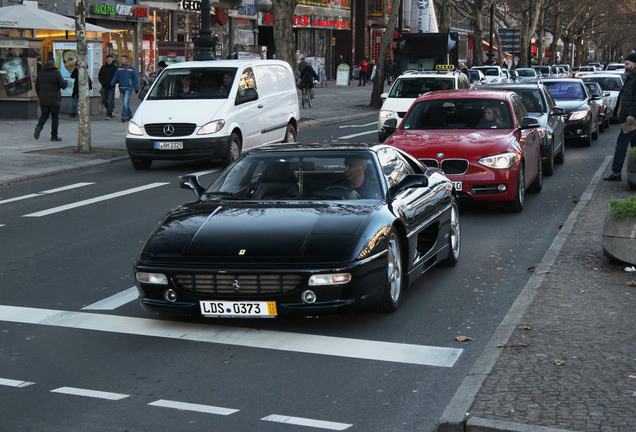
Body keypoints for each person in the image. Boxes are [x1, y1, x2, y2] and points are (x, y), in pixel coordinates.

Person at [604, 53, 636, 181]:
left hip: (630, 120)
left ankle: (616, 172)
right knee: (633, 145)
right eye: (625, 64)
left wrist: (632, 114)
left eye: (627, 64)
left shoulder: (633, 79)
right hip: (629, 118)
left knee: (621, 144)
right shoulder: (630, 78)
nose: (625, 67)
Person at [34, 57, 68, 141]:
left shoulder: (41, 73)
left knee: (44, 115)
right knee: (55, 118)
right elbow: (63, 85)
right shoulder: (56, 73)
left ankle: (39, 126)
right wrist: (66, 82)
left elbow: (36, 86)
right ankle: (54, 136)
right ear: (53, 63)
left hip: (43, 100)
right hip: (54, 100)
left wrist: (40, 95)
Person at [110, 55, 139, 122]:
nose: (121, 60)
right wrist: (112, 83)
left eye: (122, 59)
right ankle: (130, 115)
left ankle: (123, 115)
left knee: (126, 102)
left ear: (127, 60)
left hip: (128, 87)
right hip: (121, 87)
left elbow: (135, 78)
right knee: (125, 103)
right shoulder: (119, 68)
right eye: (121, 59)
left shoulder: (132, 68)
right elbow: (116, 76)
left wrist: (136, 87)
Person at [98, 54, 117, 120]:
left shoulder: (114, 68)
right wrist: (102, 82)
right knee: (103, 100)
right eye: (108, 60)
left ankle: (109, 115)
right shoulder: (103, 67)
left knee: (110, 100)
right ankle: (111, 109)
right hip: (104, 86)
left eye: (110, 60)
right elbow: (100, 76)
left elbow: (116, 76)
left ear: (112, 60)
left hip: (111, 86)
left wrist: (113, 83)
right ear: (106, 60)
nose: (109, 61)